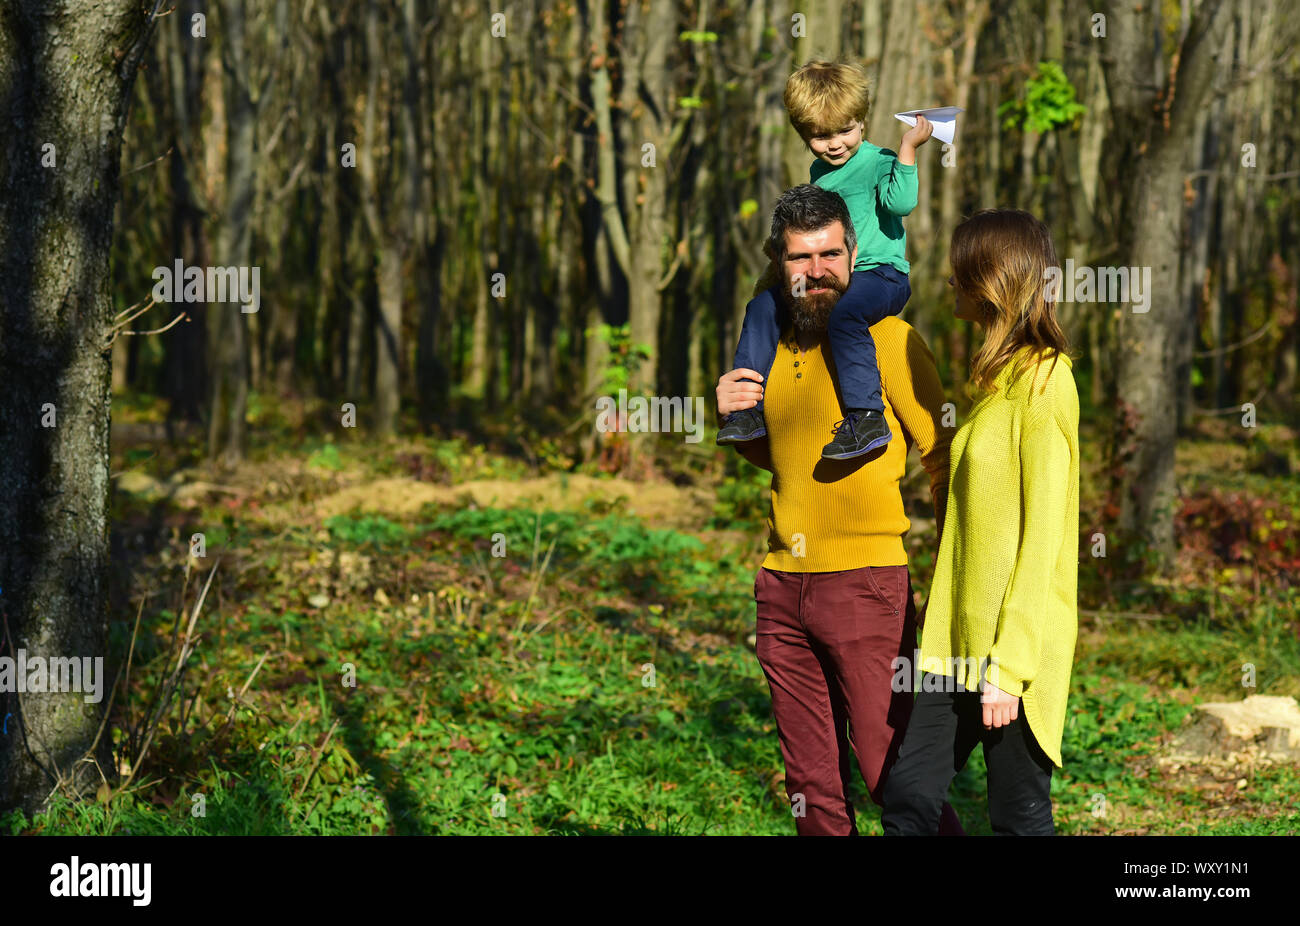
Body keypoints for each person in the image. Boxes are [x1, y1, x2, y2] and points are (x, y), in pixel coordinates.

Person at [717, 184, 962, 835]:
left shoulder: (889, 340)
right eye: (801, 258)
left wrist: (952, 584)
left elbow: (943, 460)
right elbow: (784, 464)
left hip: (867, 585)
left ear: (853, 254)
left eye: (830, 254)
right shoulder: (769, 346)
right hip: (781, 586)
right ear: (778, 261)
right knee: (812, 789)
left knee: (894, 773)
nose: (818, 271)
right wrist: (732, 412)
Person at [880, 208, 1080, 836]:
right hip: (950, 640)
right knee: (909, 797)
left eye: (960, 271)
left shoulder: (1047, 382)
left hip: (1010, 651)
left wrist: (1010, 670)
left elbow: (1043, 537)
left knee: (1017, 816)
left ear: (991, 278)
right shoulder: (995, 382)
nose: (949, 283)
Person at [718, 59, 932, 460]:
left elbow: (901, 202)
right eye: (820, 135)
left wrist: (907, 149)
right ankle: (746, 411)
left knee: (846, 315)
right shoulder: (821, 173)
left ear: (862, 123)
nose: (835, 143)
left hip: (877, 275)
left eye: (845, 130)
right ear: (803, 134)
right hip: (831, 276)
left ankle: (866, 416)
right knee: (762, 306)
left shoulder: (880, 161)